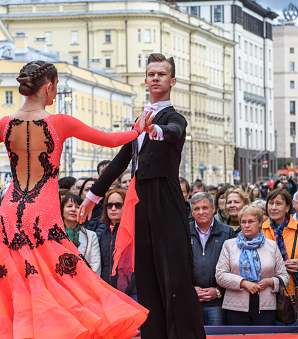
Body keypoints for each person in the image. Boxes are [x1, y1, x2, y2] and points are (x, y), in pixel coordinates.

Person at [0, 60, 150, 338]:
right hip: (43, 211)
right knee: (56, 283)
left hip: (10, 211)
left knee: (13, 287)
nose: (55, 94)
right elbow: (110, 140)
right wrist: (138, 130)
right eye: (56, 88)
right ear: (49, 86)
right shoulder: (59, 122)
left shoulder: (5, 124)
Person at [79, 53, 205, 339]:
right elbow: (120, 162)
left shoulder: (174, 117)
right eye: (151, 74)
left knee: (174, 276)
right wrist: (92, 197)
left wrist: (155, 130)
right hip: (141, 201)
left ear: (172, 81)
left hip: (166, 197)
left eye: (161, 74)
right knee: (146, 276)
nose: (155, 78)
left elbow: (174, 131)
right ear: (145, 79)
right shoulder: (140, 118)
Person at [216, 205, 289, 325]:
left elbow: (284, 277)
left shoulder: (271, 245)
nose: (246, 225)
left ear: (260, 223)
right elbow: (220, 275)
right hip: (235, 308)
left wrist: (270, 281)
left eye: (251, 221)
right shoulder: (229, 245)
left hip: (265, 308)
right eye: (243, 222)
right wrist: (243, 283)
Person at [190, 192, 235, 325]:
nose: (201, 212)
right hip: (191, 301)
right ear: (192, 211)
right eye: (196, 209)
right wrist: (189, 289)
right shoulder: (184, 232)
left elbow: (234, 268)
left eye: (205, 208)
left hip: (217, 303)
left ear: (213, 209)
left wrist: (218, 291)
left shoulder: (227, 232)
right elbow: (178, 267)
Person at [262, 188, 298, 300]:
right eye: (271, 203)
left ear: (287, 208)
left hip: (297, 294)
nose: (273, 208)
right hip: (268, 294)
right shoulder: (260, 231)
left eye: (279, 204)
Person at [96, 189, 137, 300]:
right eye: (109, 205)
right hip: (108, 292)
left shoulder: (134, 231)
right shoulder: (104, 232)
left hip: (132, 292)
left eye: (118, 205)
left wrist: (128, 288)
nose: (113, 209)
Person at [60, 193, 101, 275]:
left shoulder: (91, 236)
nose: (73, 210)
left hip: (85, 282)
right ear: (62, 211)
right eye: (69, 206)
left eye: (78, 207)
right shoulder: (53, 234)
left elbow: (95, 264)